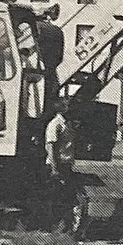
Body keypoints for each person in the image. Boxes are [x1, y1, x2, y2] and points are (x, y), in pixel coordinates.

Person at [45, 97, 77, 230]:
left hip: (65, 164)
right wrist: (54, 168)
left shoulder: (66, 124)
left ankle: (63, 225)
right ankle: (53, 225)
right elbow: (50, 146)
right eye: (68, 106)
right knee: (57, 197)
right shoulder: (55, 124)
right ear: (63, 109)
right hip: (58, 165)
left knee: (64, 196)